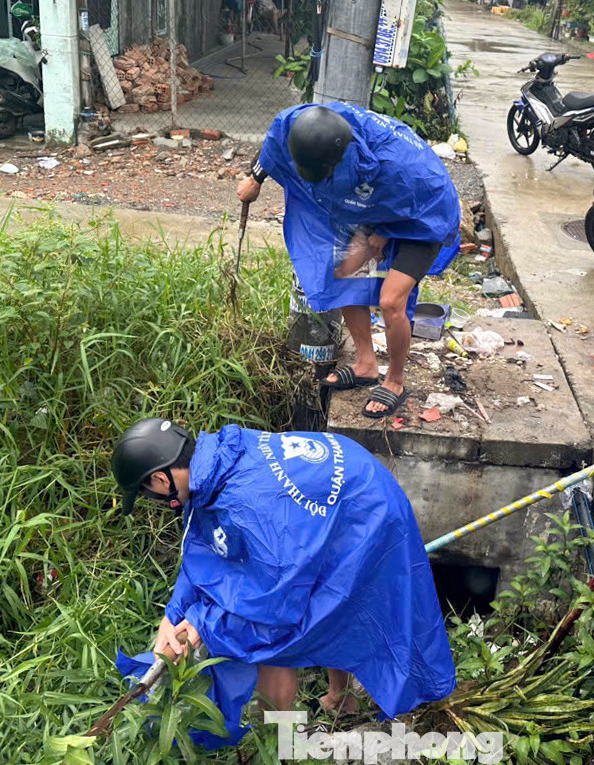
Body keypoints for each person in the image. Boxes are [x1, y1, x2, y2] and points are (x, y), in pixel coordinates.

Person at [110, 418, 456, 747]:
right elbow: (204, 550)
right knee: (329, 604)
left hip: (366, 509)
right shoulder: (211, 466)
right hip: (337, 492)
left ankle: (279, 744)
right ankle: (340, 700)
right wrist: (172, 615)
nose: (155, 503)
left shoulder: (244, 501)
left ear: (159, 480)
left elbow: (274, 602)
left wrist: (205, 621)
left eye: (148, 495)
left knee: (287, 634)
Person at [237, 103, 461, 418]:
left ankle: (395, 381)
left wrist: (381, 232)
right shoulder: (295, 123)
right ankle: (366, 364)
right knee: (343, 273)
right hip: (371, 206)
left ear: (340, 158)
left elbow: (410, 200)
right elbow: (275, 141)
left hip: (423, 214)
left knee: (391, 300)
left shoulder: (398, 166)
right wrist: (256, 178)